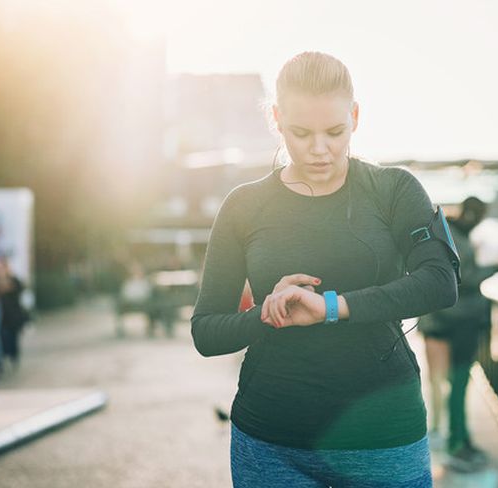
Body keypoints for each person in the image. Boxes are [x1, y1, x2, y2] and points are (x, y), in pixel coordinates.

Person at [191, 51, 460, 487]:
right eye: (300, 133)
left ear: (355, 115)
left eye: (335, 132)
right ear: (276, 118)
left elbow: (440, 283)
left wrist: (331, 307)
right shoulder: (244, 206)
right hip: (271, 442)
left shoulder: (393, 189)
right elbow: (206, 332)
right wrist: (268, 314)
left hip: (384, 438)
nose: (319, 149)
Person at [418, 196, 498, 473]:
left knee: (440, 381)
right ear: (473, 214)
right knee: (459, 381)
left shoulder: (444, 233)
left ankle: (446, 434)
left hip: (436, 320)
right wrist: (496, 268)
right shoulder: (459, 239)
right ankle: (456, 441)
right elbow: (465, 277)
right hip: (460, 320)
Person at [0, 256, 29, 369]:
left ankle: (14, 357)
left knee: (13, 337)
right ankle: (4, 356)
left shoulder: (13, 280)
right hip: (2, 315)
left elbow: (21, 287)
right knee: (3, 336)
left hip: (13, 314)